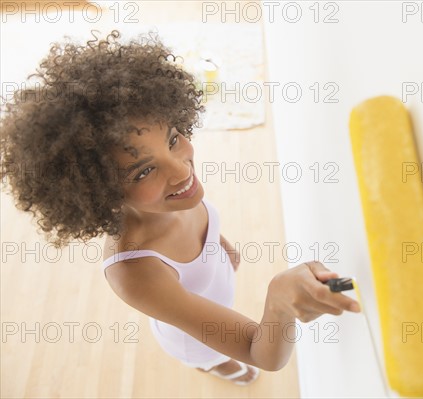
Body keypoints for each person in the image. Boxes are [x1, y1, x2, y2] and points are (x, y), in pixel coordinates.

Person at [0, 30, 360, 386]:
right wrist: (278, 303)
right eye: (143, 171)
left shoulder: (172, 196)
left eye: (172, 139)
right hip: (193, 339)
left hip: (213, 293)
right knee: (214, 355)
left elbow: (203, 220)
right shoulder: (135, 272)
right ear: (97, 190)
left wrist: (220, 244)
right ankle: (216, 367)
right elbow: (259, 352)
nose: (181, 169)